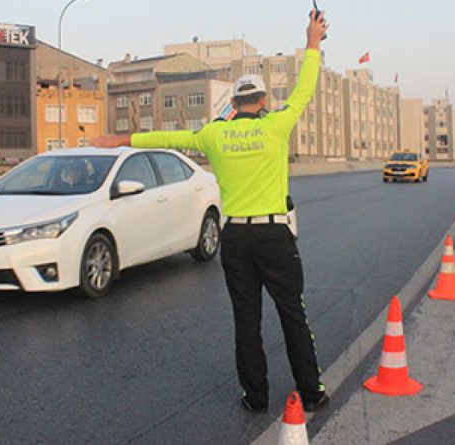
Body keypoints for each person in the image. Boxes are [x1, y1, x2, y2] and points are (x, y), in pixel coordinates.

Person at [90, 10, 330, 413]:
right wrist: (313, 41)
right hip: (274, 236)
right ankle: (311, 392)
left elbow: (169, 137)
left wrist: (120, 139)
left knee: (246, 320)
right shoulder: (276, 125)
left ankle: (255, 397)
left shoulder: (214, 134)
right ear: (264, 101)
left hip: (235, 240)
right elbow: (305, 88)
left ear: (233, 104)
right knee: (292, 313)